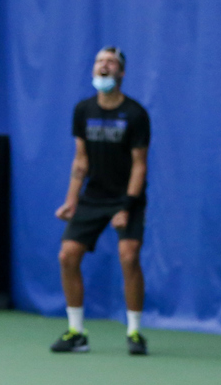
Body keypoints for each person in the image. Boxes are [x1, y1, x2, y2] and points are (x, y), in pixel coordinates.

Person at [53, 47, 150, 355]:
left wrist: (126, 206)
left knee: (129, 256)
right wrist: (71, 200)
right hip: (93, 196)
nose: (104, 66)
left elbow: (139, 165)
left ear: (121, 73)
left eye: (111, 62)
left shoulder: (135, 114)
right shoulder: (84, 110)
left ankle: (134, 333)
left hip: (127, 196)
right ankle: (76, 331)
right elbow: (80, 161)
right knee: (67, 256)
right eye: (99, 62)